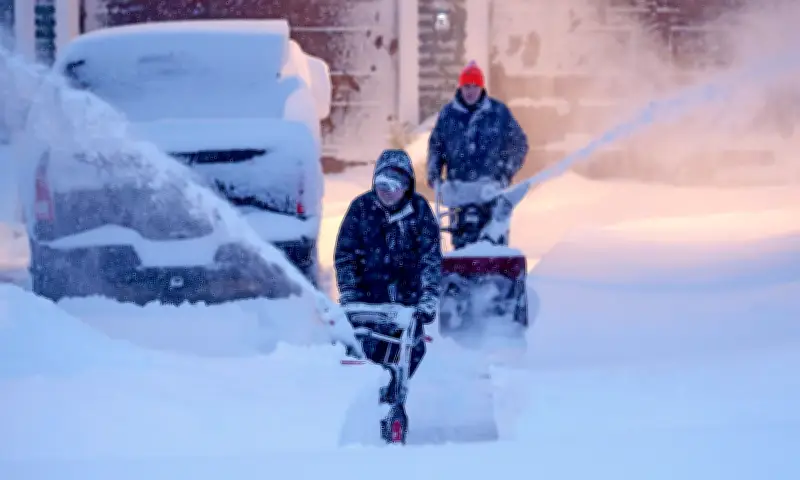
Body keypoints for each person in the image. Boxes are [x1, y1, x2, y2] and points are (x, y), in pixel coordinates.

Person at [334, 148, 442, 402]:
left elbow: (430, 260)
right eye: (381, 184)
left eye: (394, 185)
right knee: (364, 351)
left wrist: (427, 298)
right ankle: (369, 396)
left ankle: (395, 393)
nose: (387, 191)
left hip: (407, 302)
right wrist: (350, 292)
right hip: (368, 300)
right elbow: (345, 255)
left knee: (412, 350)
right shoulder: (360, 209)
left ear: (406, 186)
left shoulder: (420, 213)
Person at [426, 60, 529, 249]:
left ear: (482, 87)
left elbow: (519, 144)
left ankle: (495, 273)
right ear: (460, 87)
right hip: (459, 191)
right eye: (466, 86)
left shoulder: (498, 113)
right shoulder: (448, 115)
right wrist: (434, 175)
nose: (470, 91)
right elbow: (436, 147)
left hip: (491, 190)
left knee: (493, 243)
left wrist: (506, 170)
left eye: (474, 86)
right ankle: (461, 273)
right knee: (463, 247)